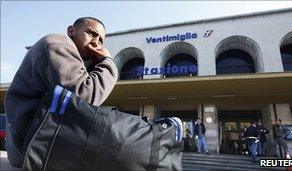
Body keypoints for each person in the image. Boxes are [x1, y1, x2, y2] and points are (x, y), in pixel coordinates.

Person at [4, 17, 183, 169]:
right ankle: (160, 132)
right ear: (71, 31)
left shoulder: (76, 57)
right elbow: (85, 96)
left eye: (101, 40)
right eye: (91, 33)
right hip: (34, 142)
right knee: (123, 138)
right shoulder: (58, 43)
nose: (96, 42)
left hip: (37, 141)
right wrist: (107, 61)